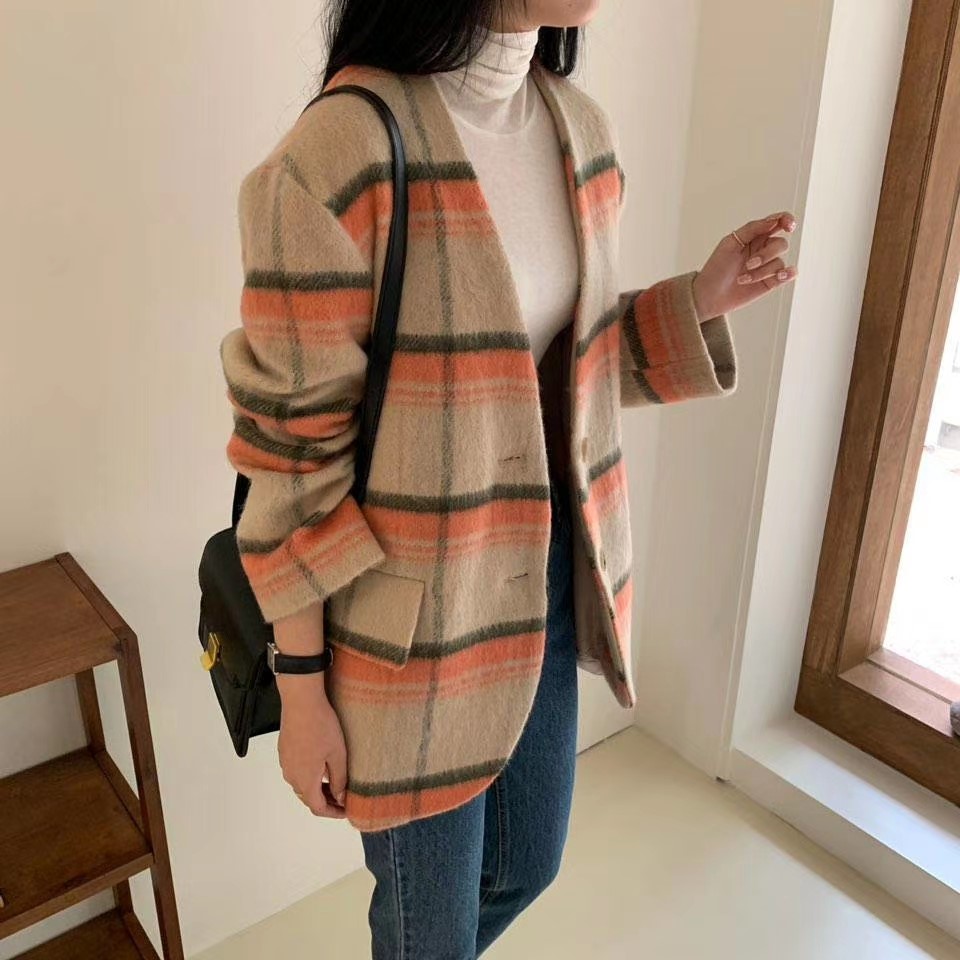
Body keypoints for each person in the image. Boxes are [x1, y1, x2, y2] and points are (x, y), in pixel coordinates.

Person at [218, 1, 797, 955]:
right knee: (429, 934)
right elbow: (292, 456)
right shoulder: (343, 153)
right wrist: (304, 685)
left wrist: (700, 298)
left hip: (546, 582)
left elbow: (563, 375)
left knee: (528, 862)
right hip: (402, 628)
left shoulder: (579, 129)